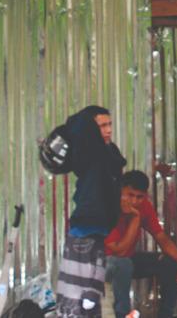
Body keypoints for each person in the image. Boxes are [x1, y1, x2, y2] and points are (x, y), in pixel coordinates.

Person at [56, 105, 126, 318]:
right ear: (90, 130)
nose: (109, 130)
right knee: (79, 289)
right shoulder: (88, 153)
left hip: (94, 227)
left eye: (110, 124)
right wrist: (86, 122)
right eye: (102, 126)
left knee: (82, 287)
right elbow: (77, 125)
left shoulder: (107, 152)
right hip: (86, 225)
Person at [105, 170, 177, 318]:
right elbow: (119, 252)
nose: (134, 201)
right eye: (130, 195)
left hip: (127, 259)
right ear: (120, 190)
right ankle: (122, 314)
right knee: (123, 264)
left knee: (170, 262)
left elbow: (161, 237)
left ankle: (166, 315)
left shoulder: (144, 206)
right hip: (103, 262)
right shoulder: (109, 207)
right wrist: (136, 218)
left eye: (139, 197)